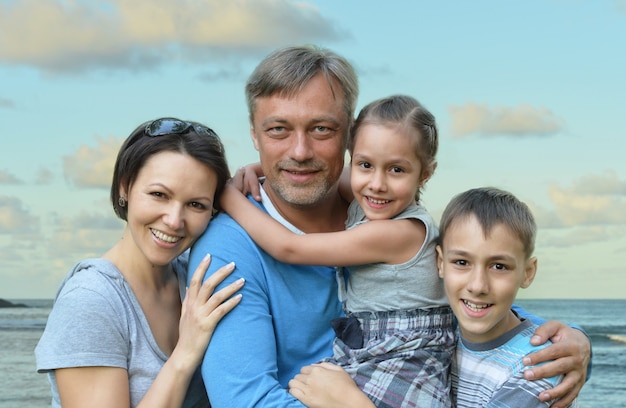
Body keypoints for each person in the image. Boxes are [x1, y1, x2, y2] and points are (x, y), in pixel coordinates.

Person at [188, 45, 591, 408]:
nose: (299, 152)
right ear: (254, 135)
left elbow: (454, 288)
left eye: (321, 129)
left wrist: (560, 341)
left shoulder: (368, 204)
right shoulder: (230, 243)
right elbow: (244, 400)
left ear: (348, 136)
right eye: (278, 129)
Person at [220, 94, 455, 407]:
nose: (377, 184)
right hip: (373, 352)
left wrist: (226, 195)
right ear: (352, 158)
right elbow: (310, 172)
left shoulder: (399, 231)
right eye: (365, 164)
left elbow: (289, 248)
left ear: (425, 174)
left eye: (397, 170)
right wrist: (261, 169)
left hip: (405, 365)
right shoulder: (370, 196)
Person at [35, 117, 245, 408]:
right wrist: (185, 353)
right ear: (125, 188)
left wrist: (252, 181)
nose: (174, 221)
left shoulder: (196, 277)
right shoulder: (92, 301)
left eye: (196, 204)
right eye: (159, 195)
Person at [436, 187, 578, 407]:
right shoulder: (439, 334)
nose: (478, 285)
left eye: (499, 266)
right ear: (440, 263)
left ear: (527, 272)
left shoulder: (538, 366)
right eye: (462, 262)